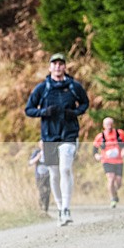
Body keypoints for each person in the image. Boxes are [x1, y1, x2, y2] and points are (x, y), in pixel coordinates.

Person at [25, 52, 89, 226]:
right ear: (50, 67)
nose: (58, 66)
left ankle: (66, 209)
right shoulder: (42, 88)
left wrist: (74, 113)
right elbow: (28, 109)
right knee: (54, 174)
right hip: (49, 136)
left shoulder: (74, 86)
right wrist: (43, 112)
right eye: (55, 64)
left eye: (61, 63)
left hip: (69, 134)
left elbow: (85, 103)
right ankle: (60, 207)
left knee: (65, 169)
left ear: (65, 67)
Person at [92, 117, 124, 208]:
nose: (109, 126)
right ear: (103, 126)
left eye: (111, 124)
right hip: (107, 161)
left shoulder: (120, 134)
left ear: (113, 124)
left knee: (118, 182)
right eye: (107, 124)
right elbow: (95, 150)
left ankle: (114, 194)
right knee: (111, 179)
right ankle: (112, 199)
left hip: (118, 161)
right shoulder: (100, 136)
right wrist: (97, 156)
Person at [28, 141, 51, 213]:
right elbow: (30, 162)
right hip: (39, 176)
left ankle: (45, 208)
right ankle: (41, 207)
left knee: (48, 191)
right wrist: (38, 157)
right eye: (42, 144)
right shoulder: (37, 152)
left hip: (48, 175)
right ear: (39, 145)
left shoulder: (49, 152)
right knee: (41, 191)